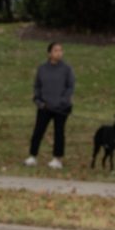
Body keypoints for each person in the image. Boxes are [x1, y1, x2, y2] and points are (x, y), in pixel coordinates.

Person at [24, 40, 73, 169]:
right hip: (45, 107)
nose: (59, 53)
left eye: (60, 50)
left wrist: (63, 101)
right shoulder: (42, 69)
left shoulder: (67, 69)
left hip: (61, 108)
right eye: (56, 50)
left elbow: (70, 87)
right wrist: (39, 101)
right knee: (38, 131)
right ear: (49, 53)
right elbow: (37, 86)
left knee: (59, 132)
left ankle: (57, 159)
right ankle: (32, 156)